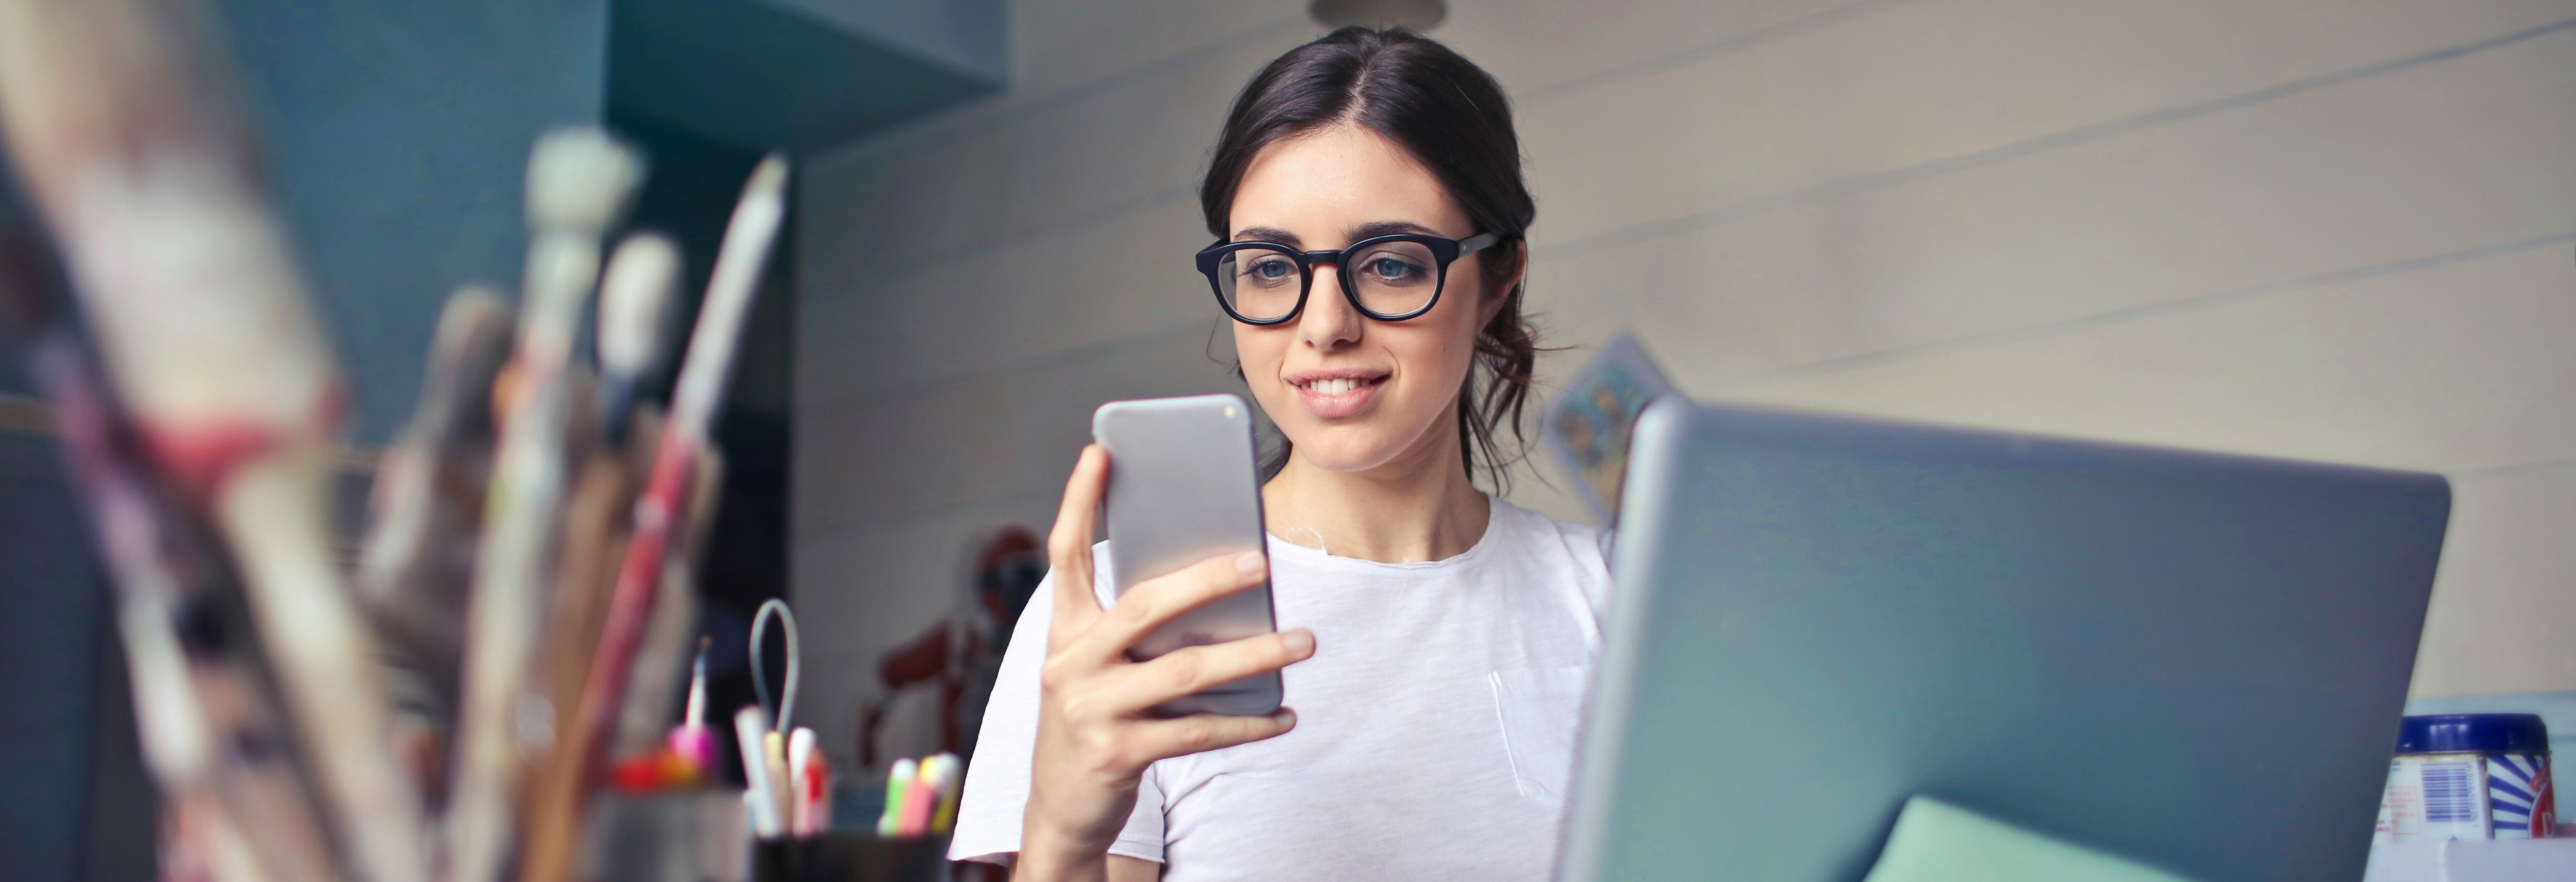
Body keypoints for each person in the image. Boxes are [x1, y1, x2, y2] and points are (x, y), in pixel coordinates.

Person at [950, 27, 1612, 882]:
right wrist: (1061, 837)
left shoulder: (1615, 597)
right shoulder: (1123, 614)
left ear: (1497, 278)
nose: (1324, 325)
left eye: (1390, 265)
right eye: (1269, 268)